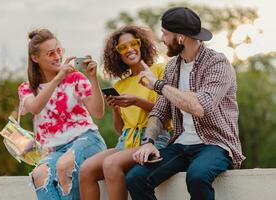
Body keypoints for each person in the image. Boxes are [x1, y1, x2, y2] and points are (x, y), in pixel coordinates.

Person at [126, 7, 246, 200]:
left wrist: (157, 84)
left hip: (215, 143)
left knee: (197, 177)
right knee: (135, 177)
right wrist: (149, 142)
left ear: (180, 37)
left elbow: (201, 107)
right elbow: (159, 111)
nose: (162, 39)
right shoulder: (172, 67)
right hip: (181, 144)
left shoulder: (217, 63)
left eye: (165, 34)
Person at [79, 25, 170, 200]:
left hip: (153, 139)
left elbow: (167, 113)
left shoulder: (158, 70)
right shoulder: (120, 85)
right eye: (122, 47)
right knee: (86, 169)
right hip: (126, 142)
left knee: (111, 163)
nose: (129, 49)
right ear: (117, 54)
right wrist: (116, 109)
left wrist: (137, 102)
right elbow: (121, 129)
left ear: (141, 45)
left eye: (133, 43)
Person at [18, 28, 106, 200]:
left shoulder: (75, 78)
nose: (57, 57)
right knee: (40, 174)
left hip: (87, 140)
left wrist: (93, 79)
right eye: (50, 53)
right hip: (55, 151)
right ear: (35, 58)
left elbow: (98, 112)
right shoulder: (27, 88)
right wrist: (57, 78)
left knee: (65, 166)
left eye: (59, 51)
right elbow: (35, 107)